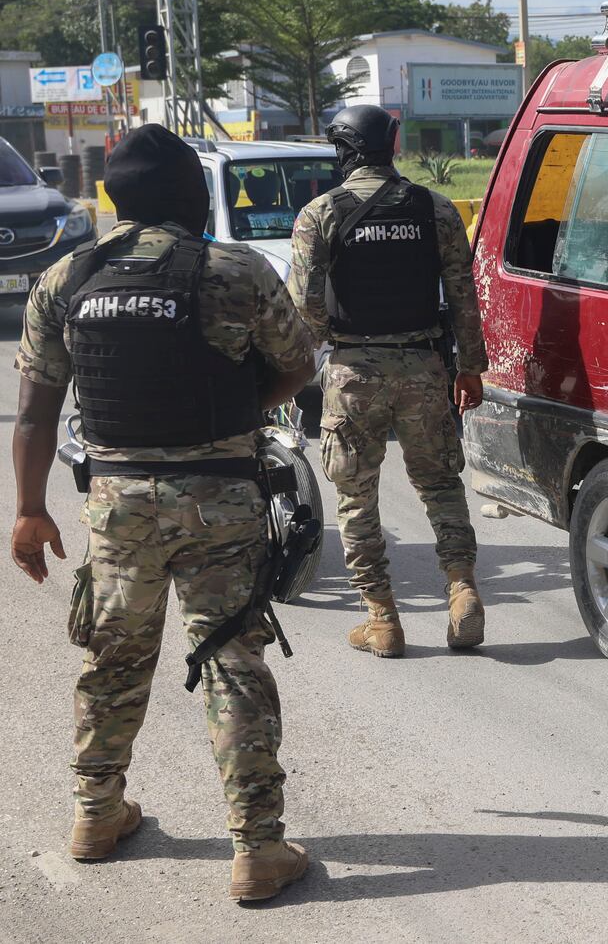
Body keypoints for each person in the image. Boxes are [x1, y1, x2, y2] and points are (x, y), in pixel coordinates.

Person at [10, 125, 316, 899]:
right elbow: (298, 365)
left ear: (111, 199)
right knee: (232, 658)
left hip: (117, 504)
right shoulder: (234, 269)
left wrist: (28, 509)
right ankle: (257, 847)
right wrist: (239, 413)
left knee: (112, 659)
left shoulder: (66, 278)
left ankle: (94, 814)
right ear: (193, 194)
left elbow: (36, 412)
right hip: (221, 498)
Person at [289, 104, 489, 659]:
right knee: (441, 485)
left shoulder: (320, 214)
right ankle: (463, 590)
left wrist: (333, 342)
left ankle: (382, 619)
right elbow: (465, 298)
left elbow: (303, 309)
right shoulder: (438, 209)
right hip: (426, 370)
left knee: (356, 498)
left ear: (345, 150)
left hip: (354, 372)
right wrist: (469, 366)